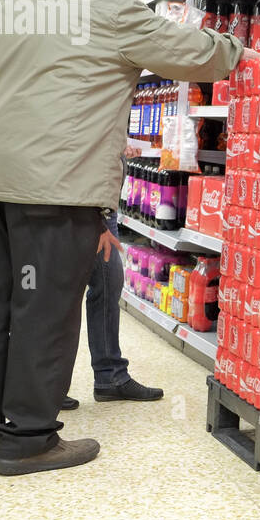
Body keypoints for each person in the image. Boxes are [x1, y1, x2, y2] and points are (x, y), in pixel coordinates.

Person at [0, 0, 256, 476]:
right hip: (60, 185)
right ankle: (27, 439)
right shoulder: (110, 4)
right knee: (44, 311)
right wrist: (239, 51)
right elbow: (190, 54)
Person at [61, 144, 161, 411]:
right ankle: (49, 384)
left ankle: (108, 376)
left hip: (103, 204)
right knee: (65, 292)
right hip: (86, 202)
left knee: (108, 284)